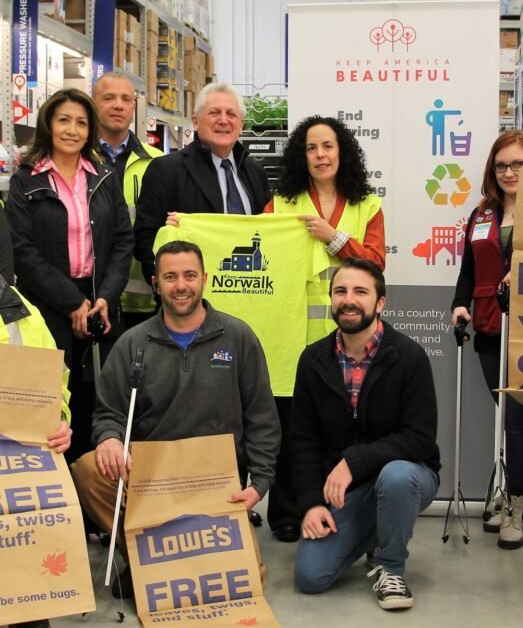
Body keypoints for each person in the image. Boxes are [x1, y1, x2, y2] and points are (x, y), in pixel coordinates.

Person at [70, 240, 280, 597]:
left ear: (205, 279)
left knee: (245, 589)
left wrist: (258, 483)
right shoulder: (133, 343)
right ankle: (145, 558)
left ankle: (164, 566)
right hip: (152, 480)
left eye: (189, 275)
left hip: (216, 483)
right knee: (88, 469)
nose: (181, 285)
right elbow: (109, 412)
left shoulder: (238, 337)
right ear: (156, 284)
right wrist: (109, 439)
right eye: (170, 277)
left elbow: (262, 417)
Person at [262, 115, 386, 542]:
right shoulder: (281, 203)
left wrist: (333, 237)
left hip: (348, 332)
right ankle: (286, 512)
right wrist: (189, 229)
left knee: (342, 422)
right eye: (311, 148)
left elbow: (375, 263)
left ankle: (342, 507)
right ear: (301, 155)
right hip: (290, 331)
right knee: (290, 423)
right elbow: (251, 243)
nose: (320, 155)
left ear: (342, 151)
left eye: (328, 146)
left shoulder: (366, 204)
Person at [292, 258, 439, 611]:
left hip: (409, 476)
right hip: (347, 493)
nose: (348, 300)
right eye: (340, 291)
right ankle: (377, 527)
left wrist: (353, 462)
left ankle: (391, 567)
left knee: (396, 477)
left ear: (380, 302)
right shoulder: (313, 360)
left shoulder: (409, 357)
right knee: (310, 577)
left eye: (360, 291)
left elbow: (419, 437)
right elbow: (302, 441)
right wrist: (312, 503)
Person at [5, 88, 133, 465]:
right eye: (64, 120)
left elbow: (122, 241)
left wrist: (105, 297)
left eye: (81, 122)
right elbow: (22, 251)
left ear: (90, 130)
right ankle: (60, 488)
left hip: (100, 305)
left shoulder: (104, 177)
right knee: (53, 406)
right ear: (48, 124)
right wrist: (72, 302)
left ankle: (92, 486)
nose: (72, 130)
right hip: (47, 307)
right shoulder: (26, 180)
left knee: (99, 403)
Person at [451, 130, 523, 550]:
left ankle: (519, 499)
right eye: (502, 165)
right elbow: (468, 268)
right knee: (505, 413)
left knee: (520, 419)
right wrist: (460, 303)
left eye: (518, 164)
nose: (510, 172)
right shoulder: (482, 214)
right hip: (490, 326)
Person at [1, 205, 73, 628]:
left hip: (18, 474)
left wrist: (60, 421)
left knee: (28, 605)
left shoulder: (23, 312)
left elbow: (56, 382)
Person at [133, 82, 270, 285]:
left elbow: (267, 233)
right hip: (189, 297)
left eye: (231, 114)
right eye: (214, 112)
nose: (223, 120)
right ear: (196, 122)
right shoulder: (166, 170)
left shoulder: (255, 173)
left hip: (248, 293)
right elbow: (146, 239)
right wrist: (166, 288)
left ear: (241, 125)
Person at [93, 71, 164, 328]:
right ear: (94, 104)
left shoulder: (158, 162)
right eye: (109, 98)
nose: (118, 105)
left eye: (126, 99)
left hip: (144, 301)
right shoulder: (78, 159)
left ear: (133, 107)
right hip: (91, 296)